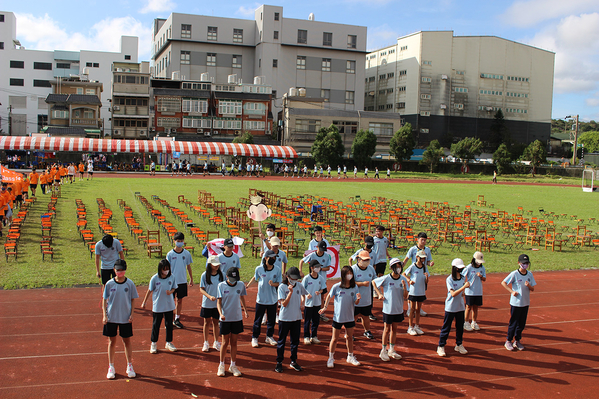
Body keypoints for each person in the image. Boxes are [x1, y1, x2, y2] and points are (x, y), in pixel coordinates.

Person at [102, 259, 138, 379]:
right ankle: (111, 366)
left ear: (125, 270)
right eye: (118, 270)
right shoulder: (109, 284)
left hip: (125, 318)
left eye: (122, 270)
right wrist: (104, 315)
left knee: (126, 341)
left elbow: (133, 299)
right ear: (114, 270)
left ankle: (129, 365)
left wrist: (132, 314)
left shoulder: (130, 284)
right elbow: (104, 299)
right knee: (111, 342)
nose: (120, 272)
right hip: (112, 317)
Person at [319, 266, 362, 368]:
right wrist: (325, 307)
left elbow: (356, 301)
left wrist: (358, 299)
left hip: (350, 317)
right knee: (334, 338)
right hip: (338, 318)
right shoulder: (337, 286)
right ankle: (331, 358)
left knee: (349, 337)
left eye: (351, 273)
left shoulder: (354, 287)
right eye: (347, 273)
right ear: (343, 275)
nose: (350, 275)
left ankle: (350, 356)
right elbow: (329, 295)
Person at [372, 258, 408, 361]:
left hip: (398, 309)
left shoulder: (403, 279)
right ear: (392, 268)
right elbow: (374, 282)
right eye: (396, 266)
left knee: (394, 329)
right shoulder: (387, 278)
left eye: (400, 266)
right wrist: (379, 294)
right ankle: (383, 351)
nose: (399, 268)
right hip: (388, 309)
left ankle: (391, 349)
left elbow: (406, 296)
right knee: (386, 329)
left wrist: (405, 287)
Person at [275, 267, 310, 373]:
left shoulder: (299, 285)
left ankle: (293, 361)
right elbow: (284, 304)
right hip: (285, 319)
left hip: (296, 318)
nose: (294, 280)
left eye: (296, 278)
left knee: (295, 341)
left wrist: (303, 302)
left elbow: (305, 293)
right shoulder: (282, 287)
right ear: (287, 277)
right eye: (293, 278)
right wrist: (290, 293)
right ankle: (279, 362)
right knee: (282, 341)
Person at [141, 259, 178, 354]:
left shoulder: (172, 277)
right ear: (160, 269)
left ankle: (169, 342)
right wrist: (144, 302)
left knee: (169, 324)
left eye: (167, 269)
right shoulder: (155, 278)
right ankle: (153, 343)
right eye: (164, 269)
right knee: (156, 325)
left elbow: (174, 287)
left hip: (169, 305)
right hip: (158, 305)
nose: (166, 271)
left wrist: (171, 291)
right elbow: (149, 290)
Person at [246, 250, 282, 348]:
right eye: (271, 257)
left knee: (271, 319)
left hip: (272, 299)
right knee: (258, 320)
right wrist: (247, 286)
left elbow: (279, 283)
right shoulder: (259, 269)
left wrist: (273, 284)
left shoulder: (277, 269)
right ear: (265, 258)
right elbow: (255, 277)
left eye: (274, 258)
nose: (273, 259)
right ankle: (255, 337)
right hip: (261, 299)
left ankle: (269, 336)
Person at [217, 268, 248, 377]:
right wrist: (220, 314)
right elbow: (219, 302)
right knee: (225, 342)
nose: (233, 280)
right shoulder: (221, 286)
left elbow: (242, 297)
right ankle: (221, 365)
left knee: (234, 342)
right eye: (231, 278)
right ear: (227, 277)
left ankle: (233, 365)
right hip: (225, 318)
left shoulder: (240, 285)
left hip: (236, 318)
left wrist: (245, 310)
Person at [502, 254, 536, 351]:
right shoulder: (514, 274)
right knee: (514, 322)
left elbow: (533, 288)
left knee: (521, 324)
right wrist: (512, 291)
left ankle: (517, 340)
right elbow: (503, 282)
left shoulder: (529, 275)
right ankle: (508, 340)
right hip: (516, 303)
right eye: (523, 263)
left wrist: (529, 285)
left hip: (525, 303)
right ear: (519, 263)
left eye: (526, 263)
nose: (525, 265)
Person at [437, 258, 470, 357]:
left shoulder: (463, 278)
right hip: (451, 307)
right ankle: (441, 346)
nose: (461, 270)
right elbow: (453, 294)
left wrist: (463, 292)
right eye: (459, 268)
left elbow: (460, 293)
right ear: (455, 268)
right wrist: (463, 287)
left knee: (460, 327)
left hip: (460, 306)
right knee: (446, 327)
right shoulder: (449, 279)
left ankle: (459, 344)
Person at [402, 232, 434, 317]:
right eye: (422, 239)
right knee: (412, 292)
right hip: (414, 272)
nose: (423, 241)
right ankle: (410, 309)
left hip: (423, 272)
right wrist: (401, 267)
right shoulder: (412, 249)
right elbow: (406, 259)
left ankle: (419, 308)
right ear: (418, 239)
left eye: (425, 240)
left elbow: (427, 261)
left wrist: (430, 264)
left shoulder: (427, 250)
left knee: (421, 291)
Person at [166, 232, 194, 329]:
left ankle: (177, 318)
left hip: (182, 281)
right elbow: (166, 269)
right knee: (170, 301)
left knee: (180, 300)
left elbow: (188, 266)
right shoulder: (170, 254)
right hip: (172, 281)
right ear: (174, 241)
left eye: (181, 241)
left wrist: (191, 278)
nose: (180, 243)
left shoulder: (186, 253)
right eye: (178, 241)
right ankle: (169, 320)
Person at [300, 240, 331, 321]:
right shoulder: (312, 255)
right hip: (312, 279)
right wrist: (300, 271)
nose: (321, 252)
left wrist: (320, 268)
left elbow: (328, 267)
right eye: (320, 249)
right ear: (317, 247)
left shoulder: (327, 256)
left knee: (321, 296)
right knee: (311, 295)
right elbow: (301, 261)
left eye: (323, 250)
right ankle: (311, 313)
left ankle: (320, 313)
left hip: (322, 279)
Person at [200, 255, 224, 352]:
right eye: (214, 265)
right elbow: (201, 289)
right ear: (210, 265)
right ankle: (206, 342)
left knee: (216, 322)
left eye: (217, 265)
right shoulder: (204, 275)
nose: (216, 266)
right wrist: (209, 296)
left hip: (217, 304)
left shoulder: (221, 275)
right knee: (206, 322)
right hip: (207, 303)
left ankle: (216, 342)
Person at [351, 250, 377, 340]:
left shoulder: (371, 268)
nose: (366, 262)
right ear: (358, 259)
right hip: (355, 299)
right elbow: (349, 283)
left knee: (366, 316)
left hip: (366, 299)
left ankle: (367, 331)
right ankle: (350, 333)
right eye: (364, 260)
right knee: (354, 317)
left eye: (367, 260)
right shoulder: (353, 269)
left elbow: (375, 280)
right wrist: (361, 284)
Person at [403, 250, 429, 336]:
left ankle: (417, 326)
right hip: (413, 291)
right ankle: (410, 327)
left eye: (424, 258)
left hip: (421, 291)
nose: (423, 259)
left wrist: (426, 277)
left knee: (418, 310)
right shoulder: (413, 266)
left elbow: (426, 281)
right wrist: (409, 280)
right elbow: (404, 274)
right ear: (417, 257)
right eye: (421, 258)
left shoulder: (425, 267)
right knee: (412, 310)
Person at [302, 260, 327, 345]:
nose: (318, 268)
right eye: (316, 267)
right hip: (308, 303)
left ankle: (314, 336)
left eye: (319, 267)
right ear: (312, 268)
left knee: (316, 320)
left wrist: (319, 292)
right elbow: (302, 289)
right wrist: (306, 295)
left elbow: (323, 289)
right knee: (307, 321)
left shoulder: (321, 278)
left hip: (317, 303)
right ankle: (306, 336)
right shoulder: (306, 278)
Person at [463, 251, 487, 332]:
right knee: (468, 307)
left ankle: (474, 322)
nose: (479, 263)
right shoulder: (469, 267)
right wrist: (464, 285)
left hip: (478, 291)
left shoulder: (482, 268)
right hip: (470, 291)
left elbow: (484, 279)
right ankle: (466, 322)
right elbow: (462, 276)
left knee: (476, 308)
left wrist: (481, 276)